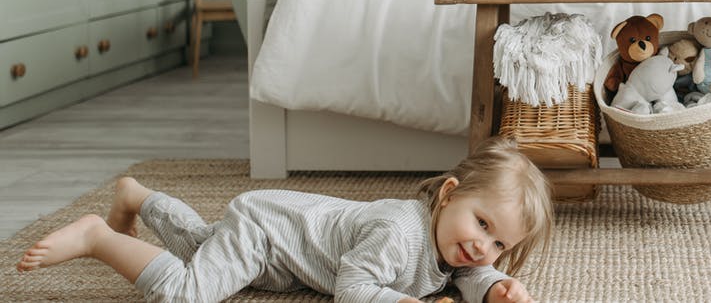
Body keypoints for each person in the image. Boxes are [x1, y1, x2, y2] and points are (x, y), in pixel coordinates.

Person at [16, 137, 553, 303]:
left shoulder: (452, 246)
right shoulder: (400, 230)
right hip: (268, 231)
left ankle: (139, 197)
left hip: (279, 252)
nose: (483, 248)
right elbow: (354, 288)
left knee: (201, 245)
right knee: (186, 292)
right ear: (448, 196)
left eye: (500, 244)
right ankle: (97, 236)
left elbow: (463, 274)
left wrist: (496, 288)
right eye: (482, 225)